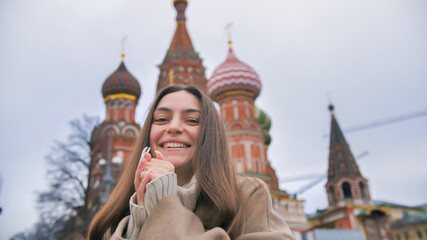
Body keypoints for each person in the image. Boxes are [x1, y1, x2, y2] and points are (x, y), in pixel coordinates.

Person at [87, 85, 295, 240]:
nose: (174, 127)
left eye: (192, 120)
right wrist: (140, 218)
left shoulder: (246, 195)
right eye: (161, 119)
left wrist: (165, 202)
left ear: (209, 134)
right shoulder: (117, 214)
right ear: (148, 133)